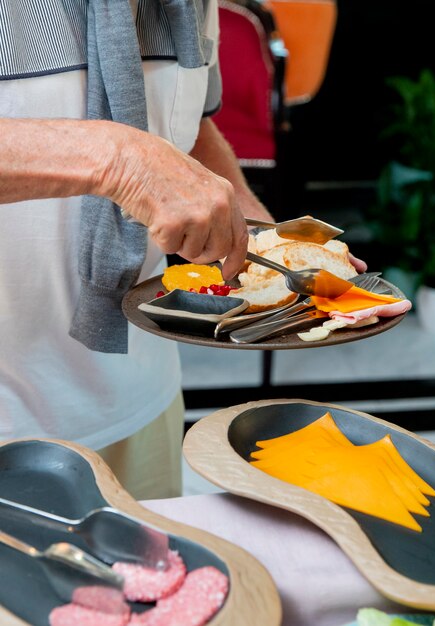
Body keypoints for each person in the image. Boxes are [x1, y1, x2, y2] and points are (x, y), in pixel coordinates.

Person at [0, 0, 274, 500]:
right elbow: (140, 154)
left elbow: (182, 127)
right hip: (11, 424)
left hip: (144, 393)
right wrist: (121, 159)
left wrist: (259, 234)